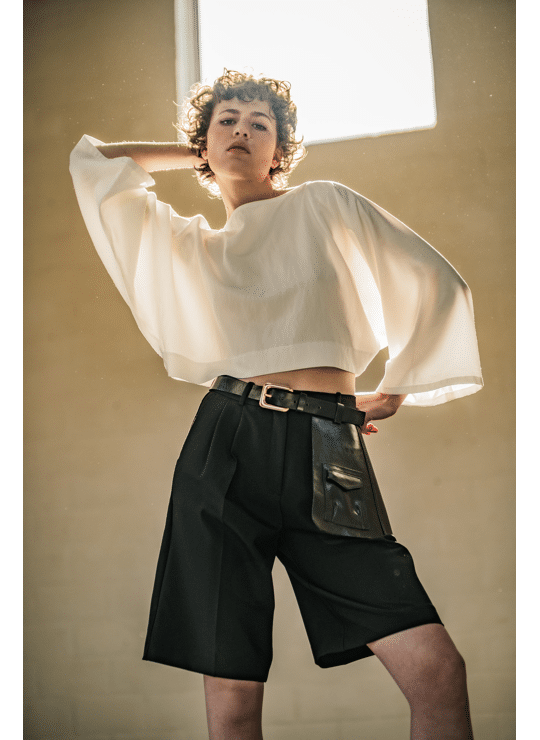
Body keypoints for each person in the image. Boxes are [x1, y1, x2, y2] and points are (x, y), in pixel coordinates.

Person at [69, 69, 482, 740]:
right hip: (225, 447)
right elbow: (96, 164)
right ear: (204, 143)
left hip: (329, 452)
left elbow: (439, 282)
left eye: (259, 124)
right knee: (233, 705)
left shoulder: (323, 204)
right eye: (226, 121)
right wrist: (198, 151)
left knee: (438, 671)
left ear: (280, 151)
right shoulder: (193, 246)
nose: (241, 130)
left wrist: (394, 389)